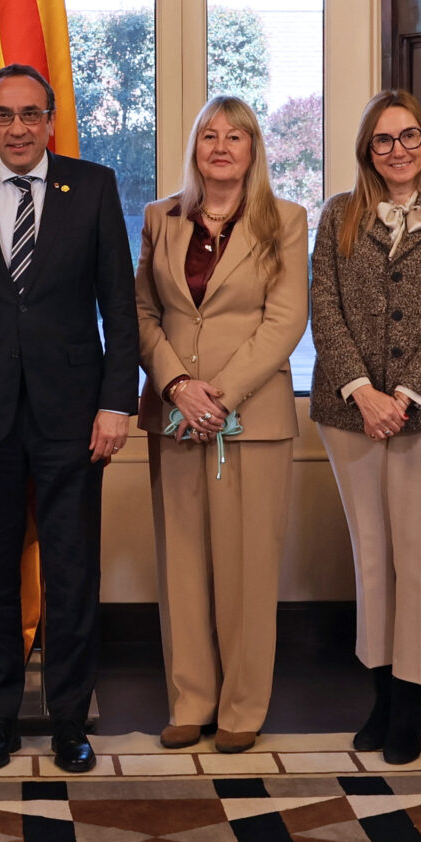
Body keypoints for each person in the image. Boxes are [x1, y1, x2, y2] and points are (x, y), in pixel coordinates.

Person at [0, 63, 138, 775]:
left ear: (50, 120)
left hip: (74, 415)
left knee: (72, 571)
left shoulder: (94, 185)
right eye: (3, 115)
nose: (17, 127)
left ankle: (70, 720)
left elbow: (119, 308)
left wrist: (115, 402)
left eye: (31, 114)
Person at [307, 90, 421, 766]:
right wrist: (363, 391)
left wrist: (403, 396)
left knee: (419, 560)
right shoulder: (338, 215)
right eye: (384, 140)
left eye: (409, 136)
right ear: (367, 150)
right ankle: (379, 693)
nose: (398, 149)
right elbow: (325, 306)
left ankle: (412, 702)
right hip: (350, 412)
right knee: (372, 557)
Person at [134, 96, 310, 755]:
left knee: (247, 568)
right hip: (175, 416)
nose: (221, 145)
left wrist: (221, 396)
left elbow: (285, 320)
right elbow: (142, 312)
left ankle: (241, 705)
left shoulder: (284, 221)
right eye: (209, 133)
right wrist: (179, 386)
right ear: (196, 147)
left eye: (235, 135)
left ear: (253, 147)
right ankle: (191, 700)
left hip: (252, 419)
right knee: (180, 564)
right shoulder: (161, 218)